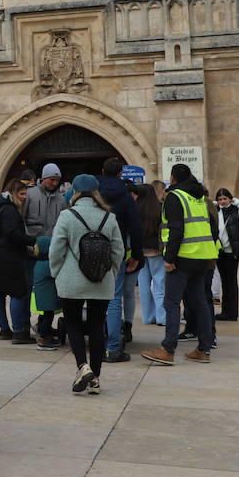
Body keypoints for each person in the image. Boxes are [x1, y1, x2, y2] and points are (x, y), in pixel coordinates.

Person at [50, 174, 125, 394]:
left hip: (71, 280)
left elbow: (56, 249)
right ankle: (96, 378)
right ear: (96, 192)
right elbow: (118, 250)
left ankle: (82, 366)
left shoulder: (67, 216)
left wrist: (57, 272)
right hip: (101, 280)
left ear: (75, 192)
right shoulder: (108, 217)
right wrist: (110, 271)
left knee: (72, 323)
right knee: (96, 326)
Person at [143, 164, 218, 366]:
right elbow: (212, 225)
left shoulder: (175, 197)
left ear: (174, 178)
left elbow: (176, 230)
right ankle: (204, 349)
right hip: (202, 256)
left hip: (183, 257)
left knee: (172, 302)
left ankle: (167, 349)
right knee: (199, 302)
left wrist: (169, 259)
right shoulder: (200, 197)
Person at [95, 158, 142, 363]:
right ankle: (113, 348)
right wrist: (137, 256)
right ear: (120, 174)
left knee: (92, 298)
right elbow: (136, 228)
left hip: (89, 251)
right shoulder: (125, 196)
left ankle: (92, 344)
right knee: (114, 300)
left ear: (102, 170)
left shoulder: (91, 193)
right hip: (116, 251)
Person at [0, 179, 36, 344]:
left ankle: (4, 330)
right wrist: (31, 240)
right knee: (17, 292)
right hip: (9, 256)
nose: (24, 197)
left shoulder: (0, 206)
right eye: (22, 194)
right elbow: (11, 232)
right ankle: (18, 332)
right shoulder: (9, 210)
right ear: (13, 193)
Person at [24, 163, 66, 347]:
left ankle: (43, 325)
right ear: (43, 178)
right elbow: (22, 219)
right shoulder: (31, 195)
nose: (54, 183)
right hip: (32, 248)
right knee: (33, 290)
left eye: (57, 180)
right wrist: (27, 243)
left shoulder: (61, 200)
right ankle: (38, 328)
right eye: (51, 179)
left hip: (52, 251)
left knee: (47, 292)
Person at [213, 188, 239, 322]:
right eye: (220, 199)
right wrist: (215, 203)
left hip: (231, 252)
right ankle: (225, 311)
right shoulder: (216, 211)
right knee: (224, 281)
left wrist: (234, 201)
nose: (222, 201)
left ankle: (231, 313)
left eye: (225, 198)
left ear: (229, 199)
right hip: (219, 251)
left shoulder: (237, 211)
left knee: (231, 281)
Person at [133, 183, 167, 325]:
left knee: (143, 285)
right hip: (156, 250)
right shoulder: (159, 208)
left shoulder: (134, 209)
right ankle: (162, 317)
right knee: (159, 284)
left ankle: (147, 317)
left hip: (140, 251)